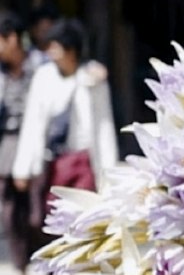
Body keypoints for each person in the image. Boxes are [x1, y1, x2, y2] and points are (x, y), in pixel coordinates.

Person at [12, 17, 119, 201]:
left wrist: (109, 171)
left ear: (71, 50)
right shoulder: (44, 77)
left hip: (84, 160)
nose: (52, 52)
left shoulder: (92, 78)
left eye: (56, 47)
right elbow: (32, 123)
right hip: (54, 160)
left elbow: (104, 126)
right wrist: (23, 168)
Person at [0, 11, 45, 275]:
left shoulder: (42, 66)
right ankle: (23, 274)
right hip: (6, 145)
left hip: (38, 146)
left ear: (12, 39)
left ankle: (50, 271)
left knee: (38, 214)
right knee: (9, 214)